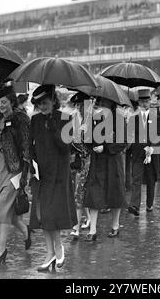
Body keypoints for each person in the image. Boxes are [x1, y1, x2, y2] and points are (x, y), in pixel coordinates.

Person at [29, 85, 77, 271]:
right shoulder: (35, 121)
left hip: (58, 174)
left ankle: (58, 248)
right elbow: (30, 144)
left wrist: (54, 127)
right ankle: (49, 253)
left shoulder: (65, 119)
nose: (42, 107)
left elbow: (66, 147)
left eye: (45, 103)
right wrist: (32, 163)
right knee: (42, 215)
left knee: (52, 214)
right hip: (41, 173)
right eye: (39, 104)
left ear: (53, 100)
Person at [0, 85, 32, 266]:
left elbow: (27, 146)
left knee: (2, 209)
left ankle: (1, 249)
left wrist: (25, 172)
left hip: (15, 168)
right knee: (7, 212)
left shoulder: (21, 119)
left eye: (4, 102)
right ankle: (25, 231)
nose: (1, 106)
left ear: (12, 102)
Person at [83, 96, 128, 241]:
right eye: (99, 101)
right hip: (98, 161)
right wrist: (88, 139)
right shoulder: (94, 117)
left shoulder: (119, 119)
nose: (101, 103)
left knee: (115, 192)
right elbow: (88, 138)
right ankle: (93, 230)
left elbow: (123, 142)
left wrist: (106, 147)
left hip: (113, 161)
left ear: (111, 103)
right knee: (94, 192)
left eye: (104, 101)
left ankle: (115, 226)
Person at [128, 89, 160, 216]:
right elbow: (130, 135)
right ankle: (134, 205)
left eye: (146, 101)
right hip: (137, 152)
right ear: (139, 103)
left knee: (150, 179)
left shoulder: (157, 117)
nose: (145, 104)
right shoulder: (134, 117)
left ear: (150, 102)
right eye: (142, 101)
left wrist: (151, 148)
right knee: (136, 179)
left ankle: (149, 203)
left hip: (152, 153)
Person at [68, 92, 92, 239]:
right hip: (75, 161)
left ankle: (76, 228)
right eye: (77, 105)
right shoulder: (73, 118)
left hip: (89, 161)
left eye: (81, 105)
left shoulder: (93, 119)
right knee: (79, 192)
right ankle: (88, 218)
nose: (79, 107)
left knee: (79, 193)